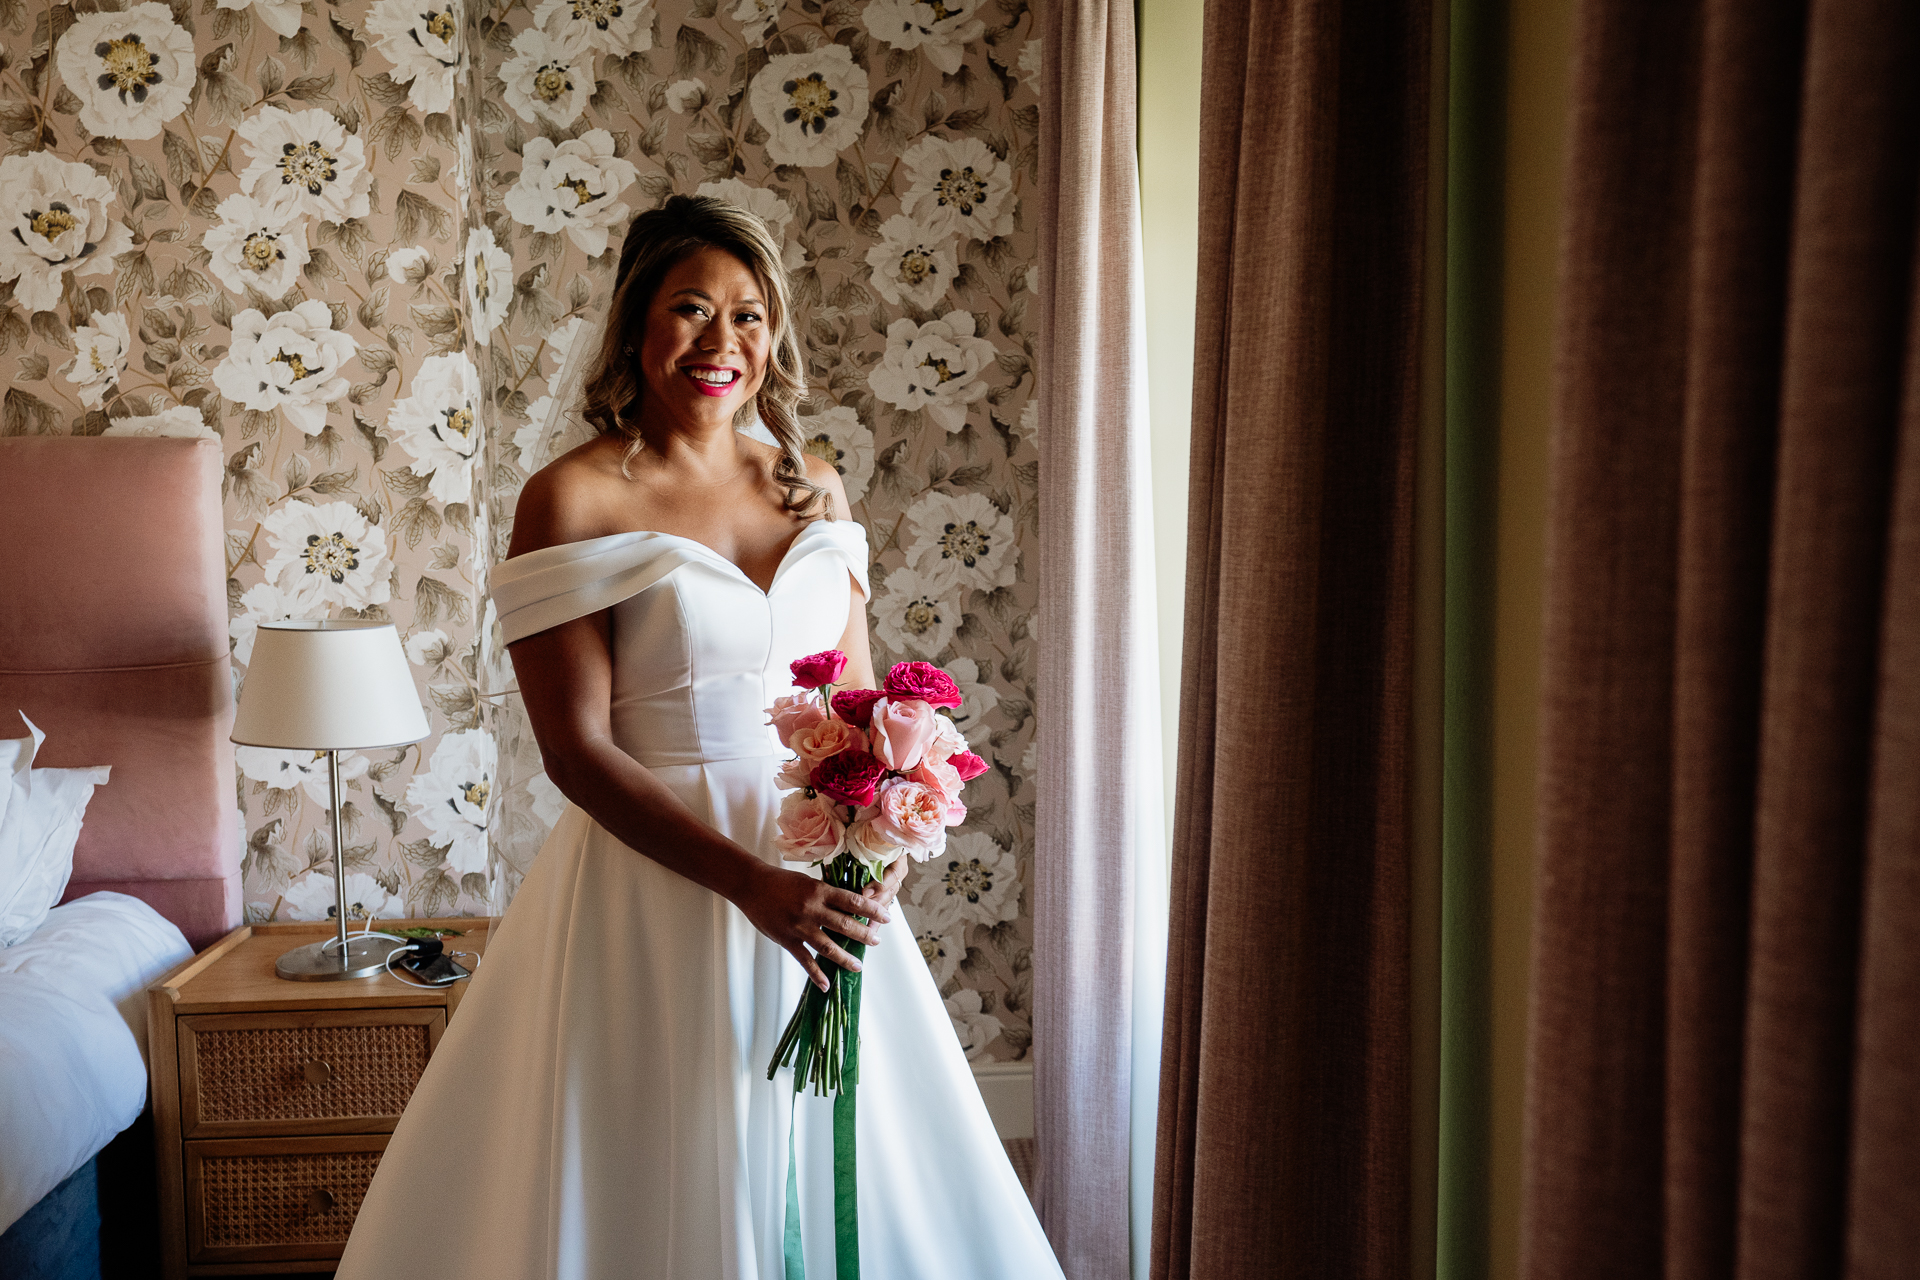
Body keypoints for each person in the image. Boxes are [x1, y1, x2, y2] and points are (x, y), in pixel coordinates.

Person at [336, 196, 1065, 1279]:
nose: (723, 343)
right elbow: (578, 750)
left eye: (749, 315)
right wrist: (746, 883)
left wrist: (883, 843)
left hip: (820, 875)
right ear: (637, 324)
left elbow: (863, 707)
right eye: (690, 310)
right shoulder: (572, 496)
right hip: (658, 879)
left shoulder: (813, 483)